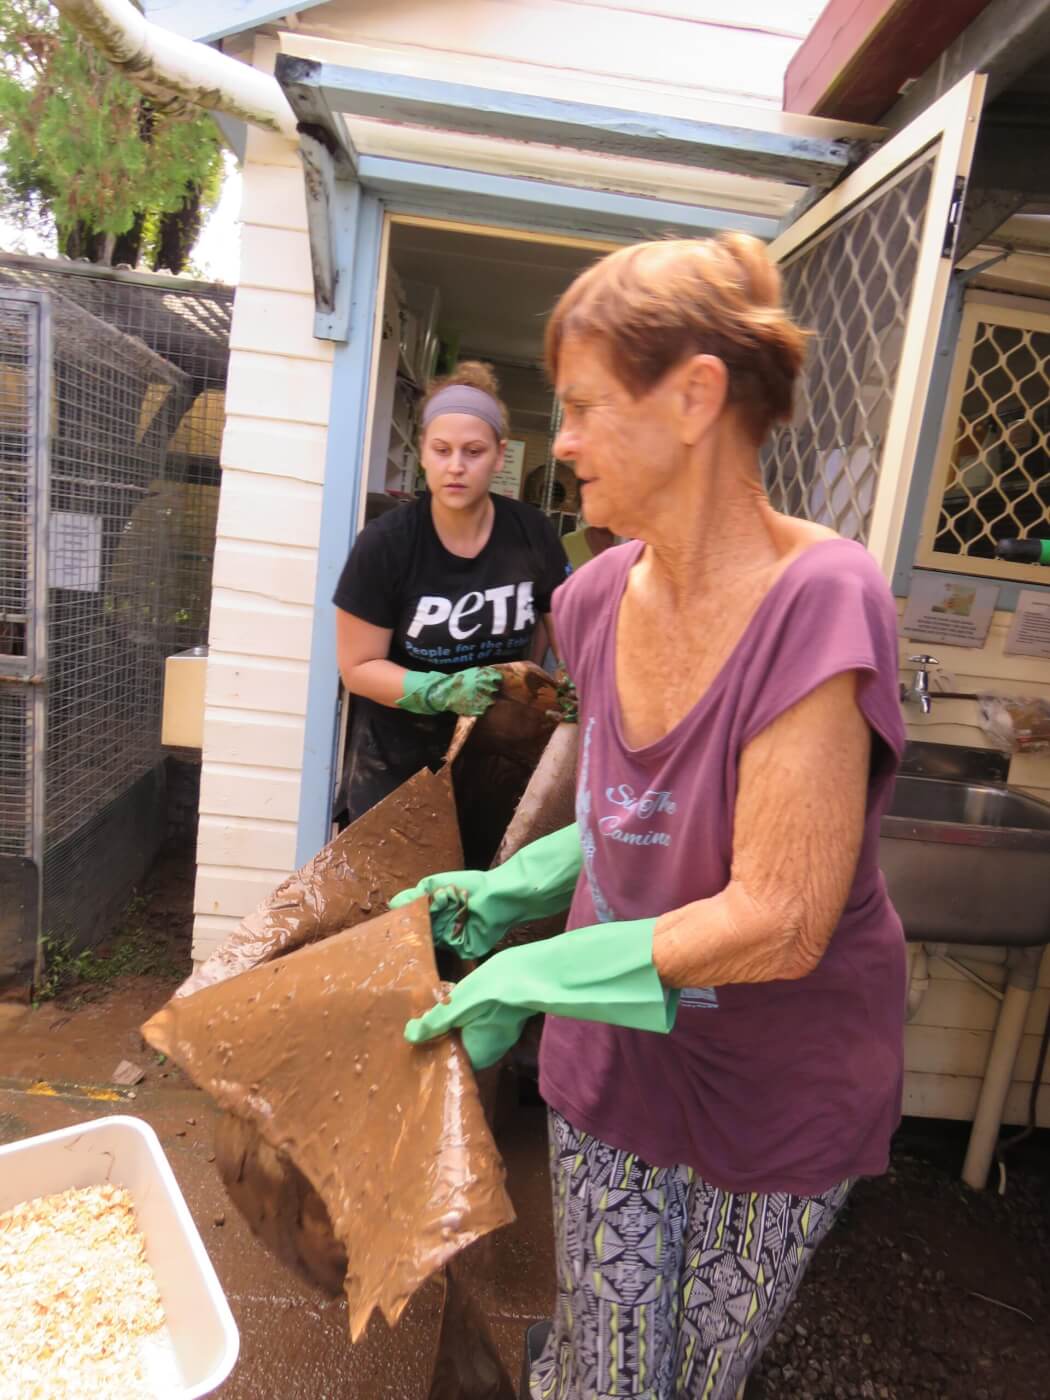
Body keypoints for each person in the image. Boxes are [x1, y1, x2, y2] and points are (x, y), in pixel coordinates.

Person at [393, 235, 908, 1399]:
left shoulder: (820, 601)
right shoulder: (592, 599)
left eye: (581, 405)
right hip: (617, 1056)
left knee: (691, 1381)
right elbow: (644, 813)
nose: (558, 439)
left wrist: (527, 977)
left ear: (694, 397)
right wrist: (514, 888)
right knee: (613, 1370)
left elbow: (779, 912)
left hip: (776, 1081)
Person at [333, 362, 569, 823]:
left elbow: (570, 635)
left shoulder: (532, 532)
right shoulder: (387, 543)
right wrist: (437, 689)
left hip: (498, 754)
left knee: (482, 886)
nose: (456, 466)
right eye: (442, 450)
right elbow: (357, 668)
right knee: (398, 894)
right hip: (397, 765)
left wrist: (580, 686)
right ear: (423, 452)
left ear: (500, 455)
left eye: (473, 451)